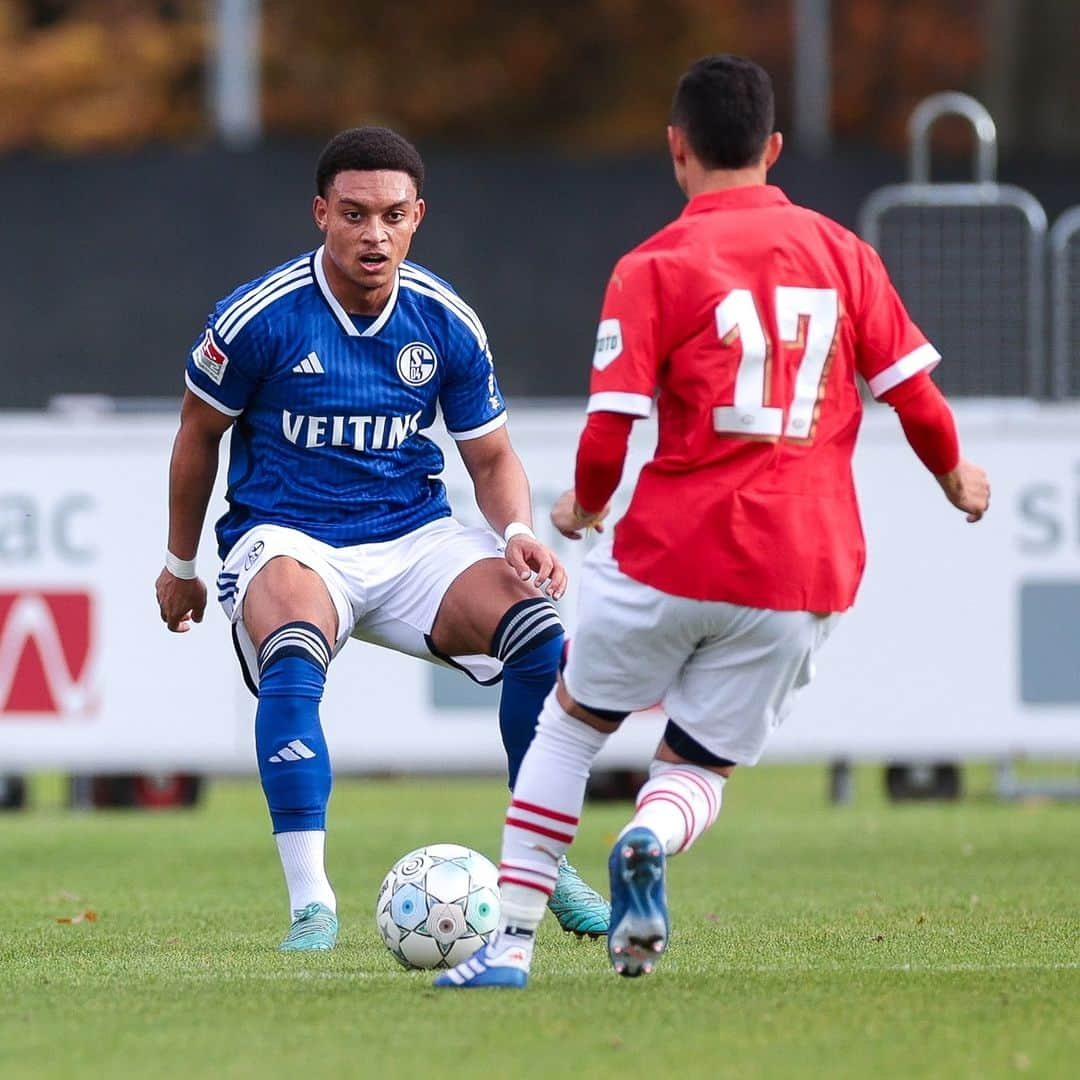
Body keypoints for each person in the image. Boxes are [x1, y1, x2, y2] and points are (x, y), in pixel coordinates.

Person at [435, 54, 990, 990]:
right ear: (773, 147)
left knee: (570, 729)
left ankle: (512, 947)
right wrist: (955, 476)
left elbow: (611, 429)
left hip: (672, 552)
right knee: (700, 764)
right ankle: (648, 838)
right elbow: (916, 399)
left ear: (676, 148)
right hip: (802, 565)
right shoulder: (843, 254)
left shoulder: (655, 265)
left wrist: (587, 505)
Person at [154, 126, 609, 950]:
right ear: (321, 212)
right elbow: (196, 438)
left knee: (542, 634)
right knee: (294, 652)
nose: (375, 234)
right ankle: (311, 906)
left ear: (418, 216)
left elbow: (493, 454)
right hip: (288, 536)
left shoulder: (444, 320)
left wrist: (515, 530)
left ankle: (545, 863)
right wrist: (181, 564)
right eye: (355, 214)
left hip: (412, 537)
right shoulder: (261, 317)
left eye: (393, 215)